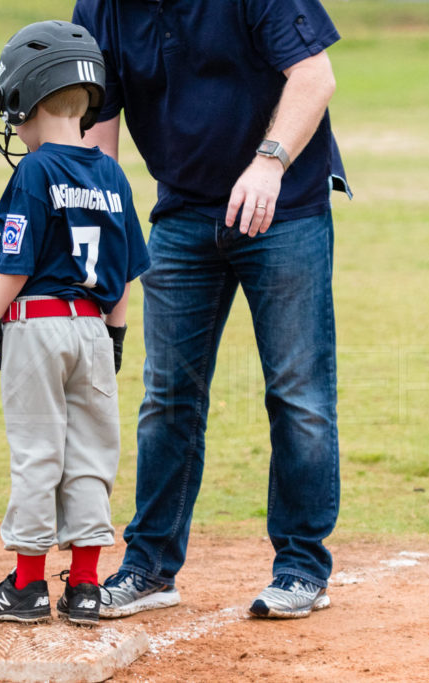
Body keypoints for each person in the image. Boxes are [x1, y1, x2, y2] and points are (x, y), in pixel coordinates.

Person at [71, 0, 352, 619]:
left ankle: (302, 566)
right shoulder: (100, 8)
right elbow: (99, 124)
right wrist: (98, 214)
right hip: (181, 212)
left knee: (297, 393)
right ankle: (149, 567)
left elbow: (315, 76)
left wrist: (268, 161)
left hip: (284, 207)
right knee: (168, 396)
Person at [0, 21, 149, 627]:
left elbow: (15, 266)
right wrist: (117, 334)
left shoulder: (35, 171)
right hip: (95, 330)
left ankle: (25, 588)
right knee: (92, 456)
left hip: (39, 327)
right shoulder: (113, 175)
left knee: (37, 454)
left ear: (32, 97)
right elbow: (127, 272)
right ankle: (85, 586)